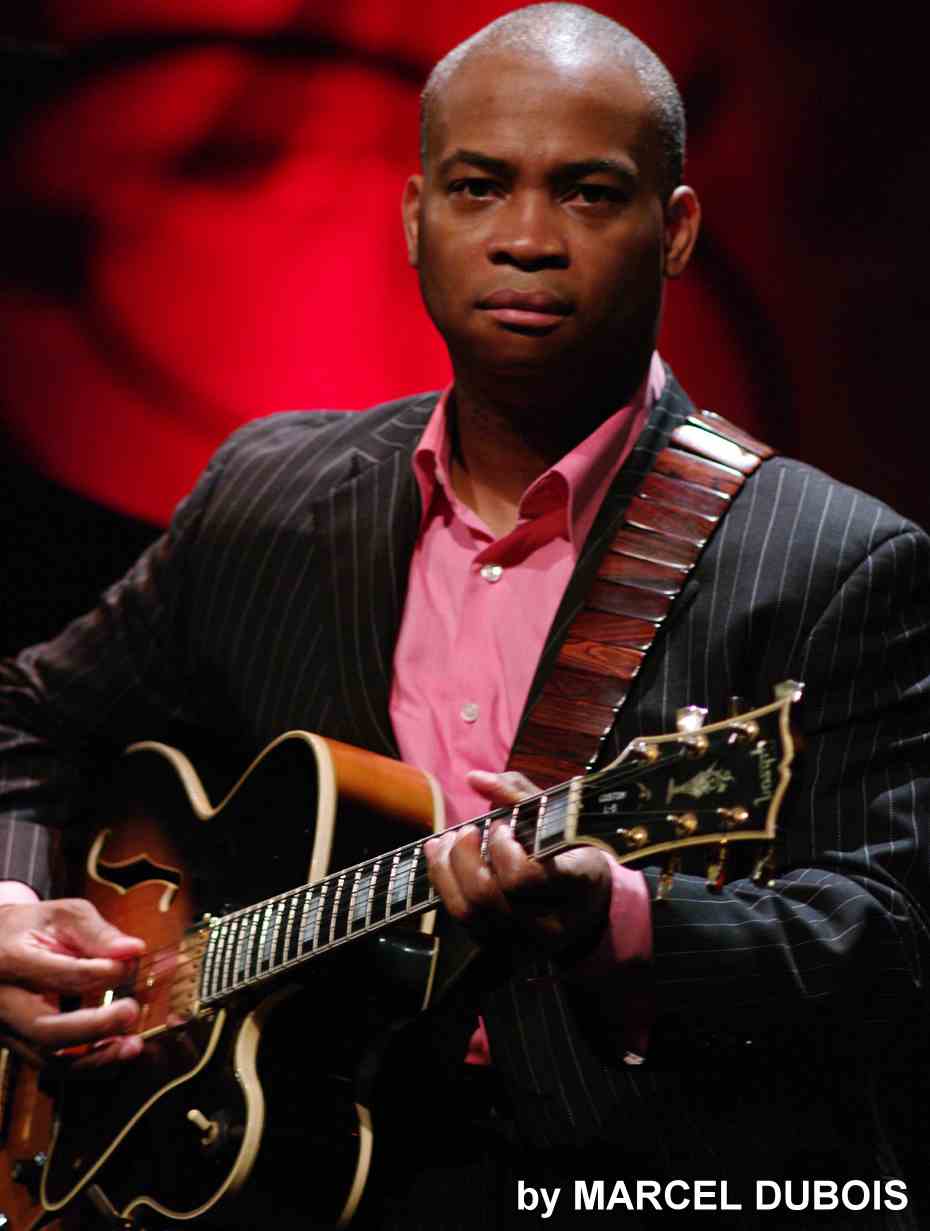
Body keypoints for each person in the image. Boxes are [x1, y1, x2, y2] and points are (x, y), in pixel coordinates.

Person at [1, 4, 928, 1227]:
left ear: (677, 231)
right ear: (414, 217)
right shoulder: (269, 494)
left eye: (588, 194)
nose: (527, 240)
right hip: (276, 1177)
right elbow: (28, 717)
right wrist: (14, 910)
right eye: (479, 187)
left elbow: (891, 939)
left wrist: (622, 920)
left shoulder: (835, 559)